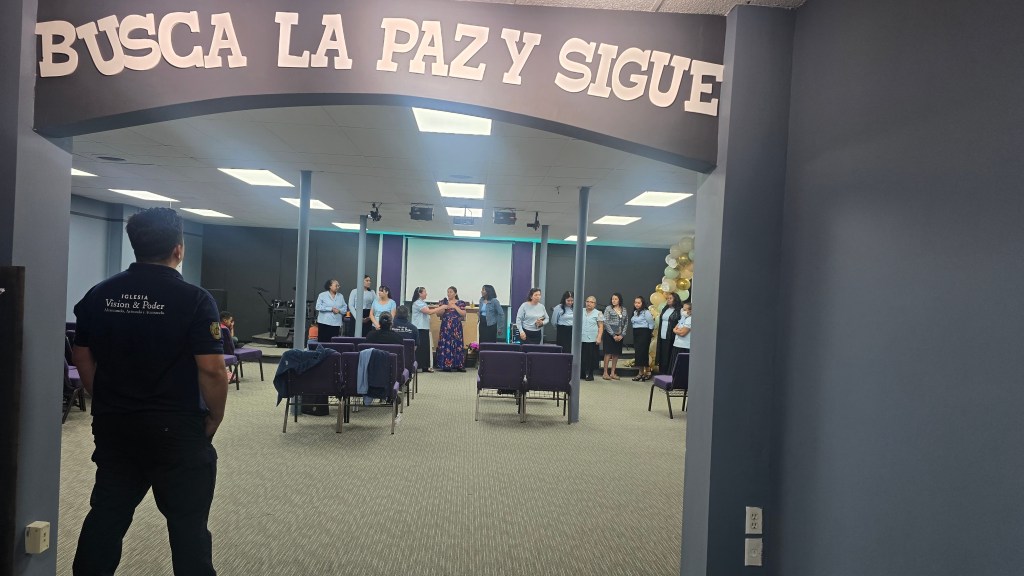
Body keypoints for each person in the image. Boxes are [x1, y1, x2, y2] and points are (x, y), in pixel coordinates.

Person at [70, 207, 227, 575]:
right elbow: (212, 369)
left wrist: (104, 400)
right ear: (179, 248)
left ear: (134, 245)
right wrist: (215, 416)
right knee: (188, 529)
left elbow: (82, 355)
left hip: (116, 427)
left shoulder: (100, 294)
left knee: (106, 518)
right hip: (177, 430)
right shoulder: (195, 300)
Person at [409, 286, 441, 373]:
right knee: (420, 348)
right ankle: (418, 366)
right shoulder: (417, 303)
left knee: (425, 348)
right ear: (420, 293)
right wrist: (441, 307)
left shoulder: (422, 302)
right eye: (424, 292)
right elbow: (429, 312)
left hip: (424, 328)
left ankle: (425, 366)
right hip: (419, 328)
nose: (426, 294)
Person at [436, 286, 468, 372]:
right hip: (446, 326)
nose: (449, 293)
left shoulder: (460, 303)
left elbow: (463, 314)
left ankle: (458, 365)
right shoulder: (444, 302)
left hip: (456, 327)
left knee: (457, 344)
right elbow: (438, 314)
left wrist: (455, 307)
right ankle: (446, 365)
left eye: (450, 292)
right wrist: (444, 307)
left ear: (455, 293)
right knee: (446, 343)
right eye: (448, 292)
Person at [602, 293, 628, 380]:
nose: (614, 300)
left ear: (619, 300)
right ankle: (605, 373)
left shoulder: (624, 309)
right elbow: (605, 322)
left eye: (616, 299)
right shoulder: (608, 308)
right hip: (609, 334)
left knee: (616, 354)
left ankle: (613, 372)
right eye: (612, 299)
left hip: (620, 335)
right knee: (608, 353)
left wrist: (622, 335)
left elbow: (626, 322)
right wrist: (613, 335)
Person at [655, 292, 683, 374]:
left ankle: (668, 373)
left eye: (670, 298)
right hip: (662, 335)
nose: (668, 300)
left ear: (675, 299)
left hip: (671, 336)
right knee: (662, 354)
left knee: (668, 354)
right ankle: (662, 371)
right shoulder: (665, 309)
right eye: (667, 298)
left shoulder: (679, 310)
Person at [630, 296, 656, 381]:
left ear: (642, 303)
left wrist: (649, 333)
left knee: (643, 353)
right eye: (635, 302)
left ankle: (647, 372)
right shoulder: (635, 312)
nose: (637, 304)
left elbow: (651, 323)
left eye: (639, 303)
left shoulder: (646, 312)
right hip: (636, 333)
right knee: (638, 353)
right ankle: (641, 372)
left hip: (644, 333)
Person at [579, 296, 604, 381]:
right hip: (581, 338)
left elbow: (601, 327)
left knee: (591, 357)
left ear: (595, 304)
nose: (589, 303)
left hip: (592, 339)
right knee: (582, 357)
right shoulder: (580, 311)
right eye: (587, 301)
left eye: (591, 302)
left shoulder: (598, 313)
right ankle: (582, 373)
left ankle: (590, 374)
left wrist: (599, 337)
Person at [670, 302, 692, 372]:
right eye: (683, 309)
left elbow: (683, 333)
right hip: (677, 345)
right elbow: (674, 328)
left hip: (684, 347)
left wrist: (676, 331)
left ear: (690, 310)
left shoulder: (690, 319)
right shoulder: (683, 318)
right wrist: (676, 330)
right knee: (674, 367)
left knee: (681, 369)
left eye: (685, 310)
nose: (683, 311)